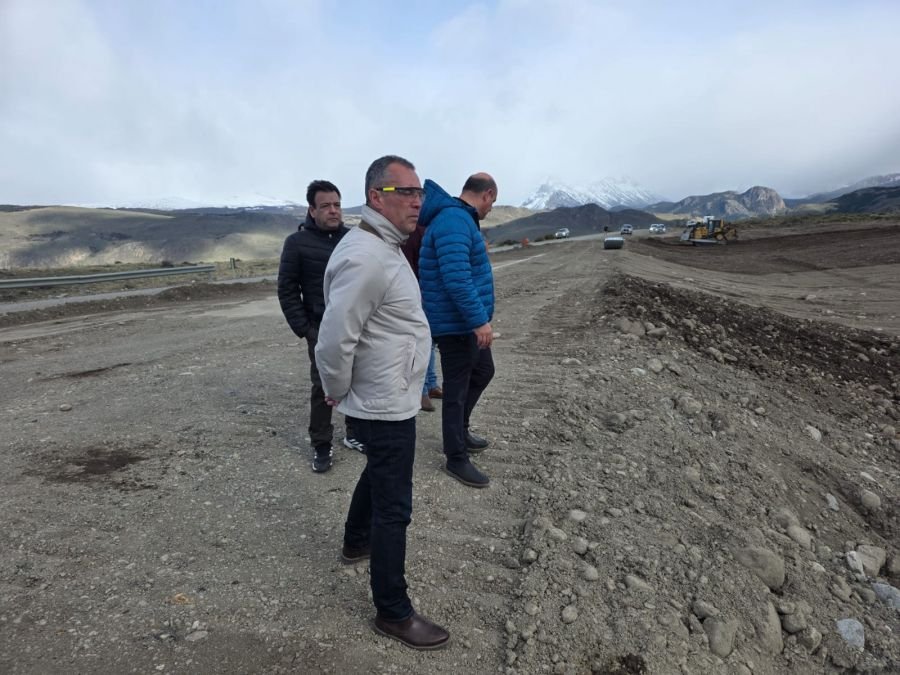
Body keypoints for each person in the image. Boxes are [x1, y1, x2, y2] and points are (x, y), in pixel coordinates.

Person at [316, 155, 450, 650]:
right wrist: (335, 388)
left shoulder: (382, 246)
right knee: (395, 507)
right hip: (383, 399)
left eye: (419, 192)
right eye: (406, 192)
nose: (418, 200)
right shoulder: (368, 255)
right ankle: (393, 611)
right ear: (377, 198)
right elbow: (334, 337)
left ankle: (356, 542)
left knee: (378, 471)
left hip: (389, 392)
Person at [276, 180, 366, 475]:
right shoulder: (296, 244)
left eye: (337, 205)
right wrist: (305, 329)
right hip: (320, 328)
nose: (333, 211)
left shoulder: (354, 238)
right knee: (323, 385)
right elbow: (287, 290)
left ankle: (353, 433)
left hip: (356, 325)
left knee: (357, 378)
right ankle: (321, 444)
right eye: (325, 205)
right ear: (311, 210)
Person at [418, 173, 497, 489]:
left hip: (463, 321)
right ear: (487, 195)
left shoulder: (458, 219)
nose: (491, 208)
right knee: (457, 387)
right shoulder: (454, 221)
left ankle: (460, 431)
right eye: (493, 202)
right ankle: (455, 456)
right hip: (457, 324)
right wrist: (479, 321)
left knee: (483, 372)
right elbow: (456, 279)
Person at [400, 224, 442, 412]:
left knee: (429, 340)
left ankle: (431, 385)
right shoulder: (411, 229)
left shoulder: (424, 228)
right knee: (421, 340)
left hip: (424, 286)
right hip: (414, 286)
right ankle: (422, 390)